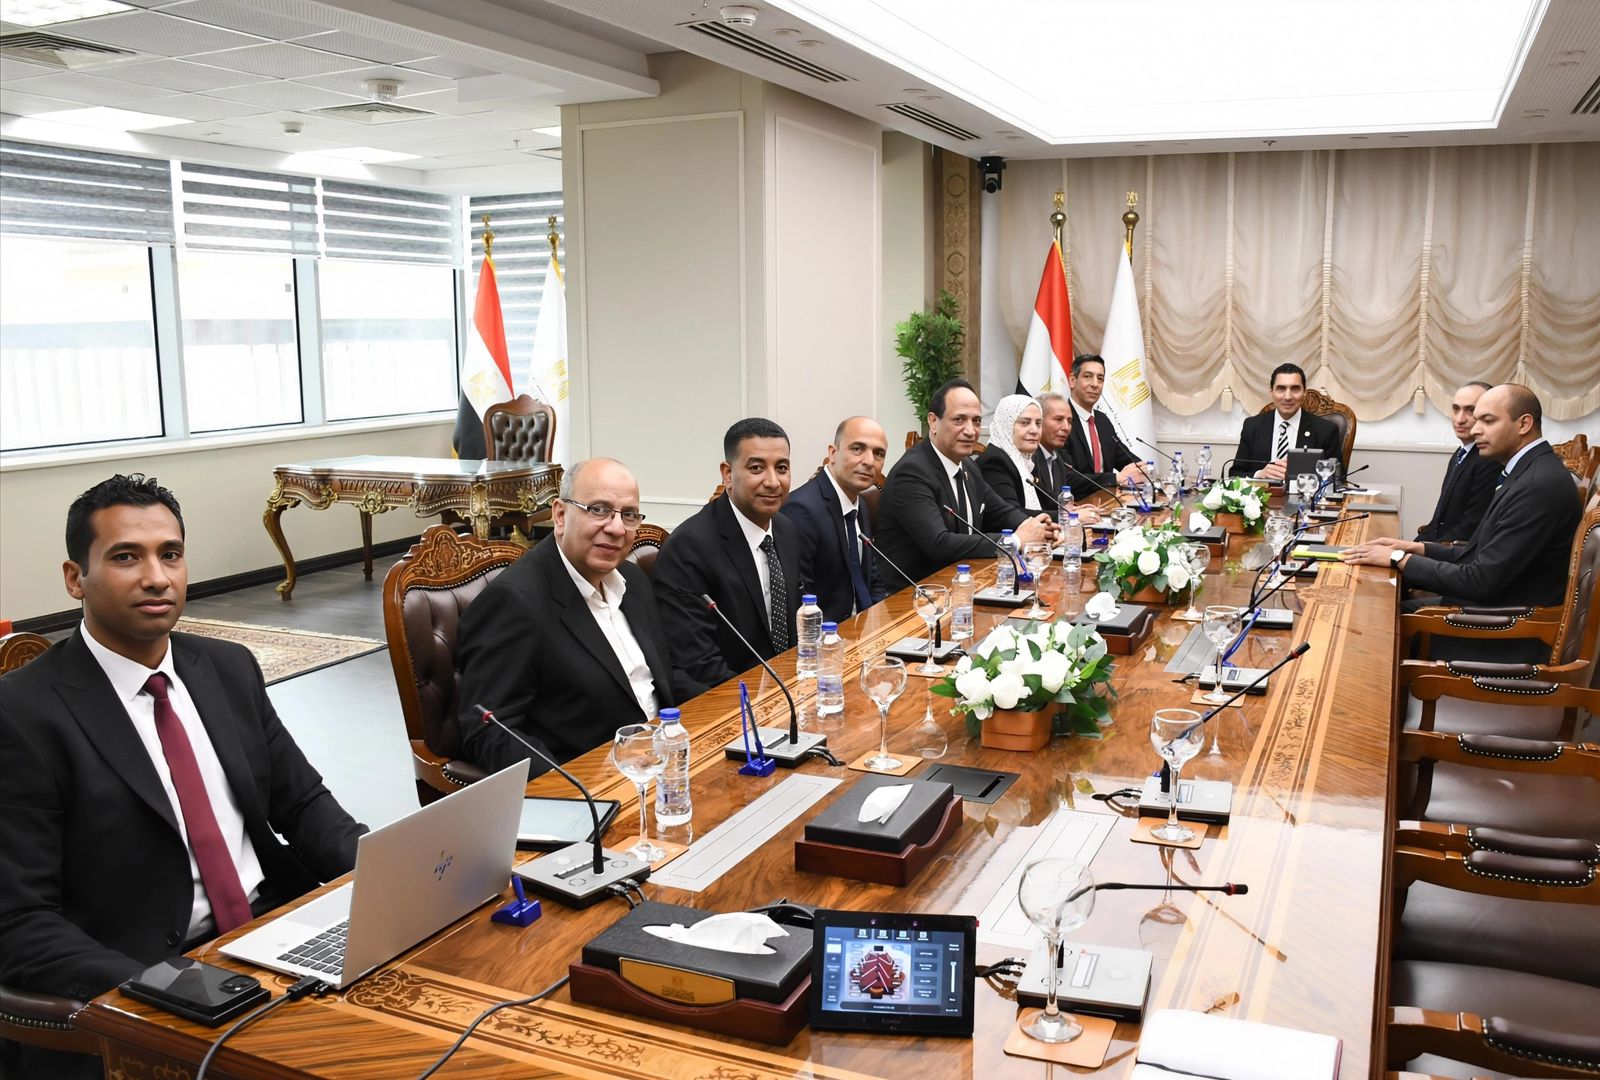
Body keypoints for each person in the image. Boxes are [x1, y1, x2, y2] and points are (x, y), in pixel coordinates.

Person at [0, 476, 364, 1080]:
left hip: (271, 936)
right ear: (75, 578)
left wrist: (390, 875)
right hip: (150, 976)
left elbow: (303, 804)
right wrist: (173, 986)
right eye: (126, 557)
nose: (156, 577)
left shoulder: (226, 667)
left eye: (170, 554)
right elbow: (18, 922)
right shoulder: (22, 715)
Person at [455, 458, 683, 775]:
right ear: (560, 515)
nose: (617, 528)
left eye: (629, 515)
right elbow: (489, 730)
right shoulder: (514, 602)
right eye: (599, 510)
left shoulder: (633, 581)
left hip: (665, 762)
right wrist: (570, 785)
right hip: (590, 781)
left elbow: (659, 682)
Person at [1342, 384, 1581, 609]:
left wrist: (1398, 558)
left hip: (1498, 621)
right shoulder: (1528, 470)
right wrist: (1416, 548)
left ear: (1524, 424)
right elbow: (1478, 553)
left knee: (1370, 609)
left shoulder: (1537, 485)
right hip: (1490, 604)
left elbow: (1480, 581)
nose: (1475, 430)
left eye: (1488, 421)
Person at [654, 418, 801, 693]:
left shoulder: (785, 529)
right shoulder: (689, 548)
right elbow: (699, 664)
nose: (773, 481)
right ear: (728, 474)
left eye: (782, 468)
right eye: (756, 468)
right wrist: (763, 702)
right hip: (733, 698)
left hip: (789, 688)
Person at [873, 379, 1056, 584]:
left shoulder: (968, 465)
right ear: (933, 422)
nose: (970, 431)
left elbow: (1001, 512)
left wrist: (1040, 528)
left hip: (963, 581)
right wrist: (1015, 540)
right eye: (959, 420)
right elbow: (939, 543)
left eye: (976, 421)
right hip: (913, 592)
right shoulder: (912, 472)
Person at [780, 416, 889, 624]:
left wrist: (878, 626)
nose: (869, 461)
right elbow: (799, 601)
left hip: (865, 630)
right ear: (833, 453)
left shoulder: (860, 503)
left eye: (878, 453)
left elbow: (873, 580)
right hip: (828, 635)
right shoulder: (801, 510)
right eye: (857, 449)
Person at [1415, 380, 1499, 544]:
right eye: (1456, 409)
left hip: (1453, 553)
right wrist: (1408, 546)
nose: (1460, 419)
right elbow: (1439, 520)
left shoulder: (1489, 460)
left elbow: (1470, 528)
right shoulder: (1460, 453)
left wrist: (1418, 550)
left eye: (1470, 410)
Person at [1230, 362, 1343, 480]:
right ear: (1271, 392)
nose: (1288, 397)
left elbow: (1337, 478)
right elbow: (1234, 474)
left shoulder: (1326, 430)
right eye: (1281, 389)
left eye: (1295, 389)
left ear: (1304, 392)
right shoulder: (1252, 426)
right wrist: (1259, 474)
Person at [1062, 354, 1146, 489]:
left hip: (1110, 498)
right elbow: (1067, 478)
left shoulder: (1102, 420)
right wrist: (1115, 478)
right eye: (1088, 376)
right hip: (1076, 500)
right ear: (1072, 380)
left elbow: (1126, 459)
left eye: (1100, 379)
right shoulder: (1061, 421)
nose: (1095, 384)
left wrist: (1143, 469)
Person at [978, 394, 1048, 512]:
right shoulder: (995, 462)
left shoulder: (1028, 460)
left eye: (1038, 423)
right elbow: (1012, 514)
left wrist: (1073, 510)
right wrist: (1068, 515)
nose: (1034, 430)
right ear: (1006, 425)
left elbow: (1049, 501)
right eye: (1024, 423)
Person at [1034, 391, 1098, 500]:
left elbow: (1057, 503)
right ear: (1038, 421)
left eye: (1069, 421)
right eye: (1059, 419)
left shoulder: (1058, 461)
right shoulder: (1029, 459)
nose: (1066, 427)